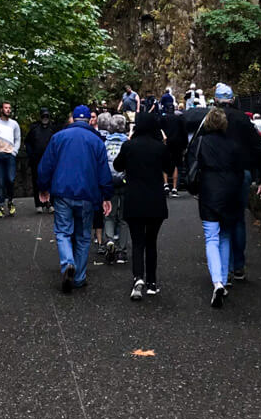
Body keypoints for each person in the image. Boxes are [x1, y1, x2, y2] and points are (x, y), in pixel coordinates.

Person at [184, 83, 261, 281]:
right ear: (232, 99)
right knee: (237, 218)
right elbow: (258, 147)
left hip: (213, 178)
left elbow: (196, 150)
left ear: (215, 100)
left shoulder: (209, 120)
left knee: (217, 224)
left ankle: (223, 270)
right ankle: (237, 265)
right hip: (240, 173)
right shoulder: (242, 119)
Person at [36, 105, 113, 292]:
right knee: (84, 236)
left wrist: (43, 187)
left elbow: (46, 165)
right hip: (88, 193)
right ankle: (79, 277)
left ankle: (67, 263)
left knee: (63, 232)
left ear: (72, 119)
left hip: (62, 192)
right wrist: (106, 195)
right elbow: (104, 171)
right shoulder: (96, 141)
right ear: (89, 120)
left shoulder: (58, 137)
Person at [113, 111, 175, 299]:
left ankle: (138, 277)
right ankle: (152, 282)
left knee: (137, 241)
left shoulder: (129, 146)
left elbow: (117, 166)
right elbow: (170, 168)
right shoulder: (159, 148)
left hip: (134, 199)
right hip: (155, 200)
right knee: (151, 242)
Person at [101, 117, 129, 264]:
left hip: (109, 182)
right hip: (124, 182)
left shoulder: (105, 143)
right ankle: (122, 250)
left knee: (108, 215)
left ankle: (110, 240)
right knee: (124, 218)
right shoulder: (127, 143)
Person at [26, 107, 62, 212]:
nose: (45, 118)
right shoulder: (34, 129)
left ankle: (50, 202)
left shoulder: (53, 129)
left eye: (47, 116)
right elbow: (27, 142)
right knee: (36, 181)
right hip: (36, 160)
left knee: (50, 181)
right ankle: (38, 204)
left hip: (50, 160)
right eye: (43, 116)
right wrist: (31, 154)